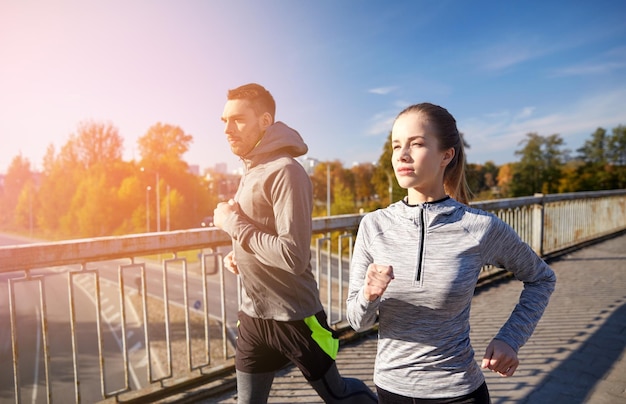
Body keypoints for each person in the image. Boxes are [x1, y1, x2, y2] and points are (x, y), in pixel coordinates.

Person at [346, 102, 556, 403]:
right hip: (390, 391)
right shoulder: (373, 226)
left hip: (458, 392)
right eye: (396, 146)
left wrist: (511, 339)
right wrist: (368, 295)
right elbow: (356, 322)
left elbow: (542, 279)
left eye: (416, 144)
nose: (402, 155)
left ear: (446, 155)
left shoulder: (479, 227)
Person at [213, 83, 377, 404]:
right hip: (253, 317)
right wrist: (240, 255)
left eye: (238, 120)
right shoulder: (251, 170)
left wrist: (232, 224)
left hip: (296, 318)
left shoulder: (287, 172)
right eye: (224, 121)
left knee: (338, 395)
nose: (228, 129)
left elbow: (293, 256)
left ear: (264, 121)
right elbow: (260, 234)